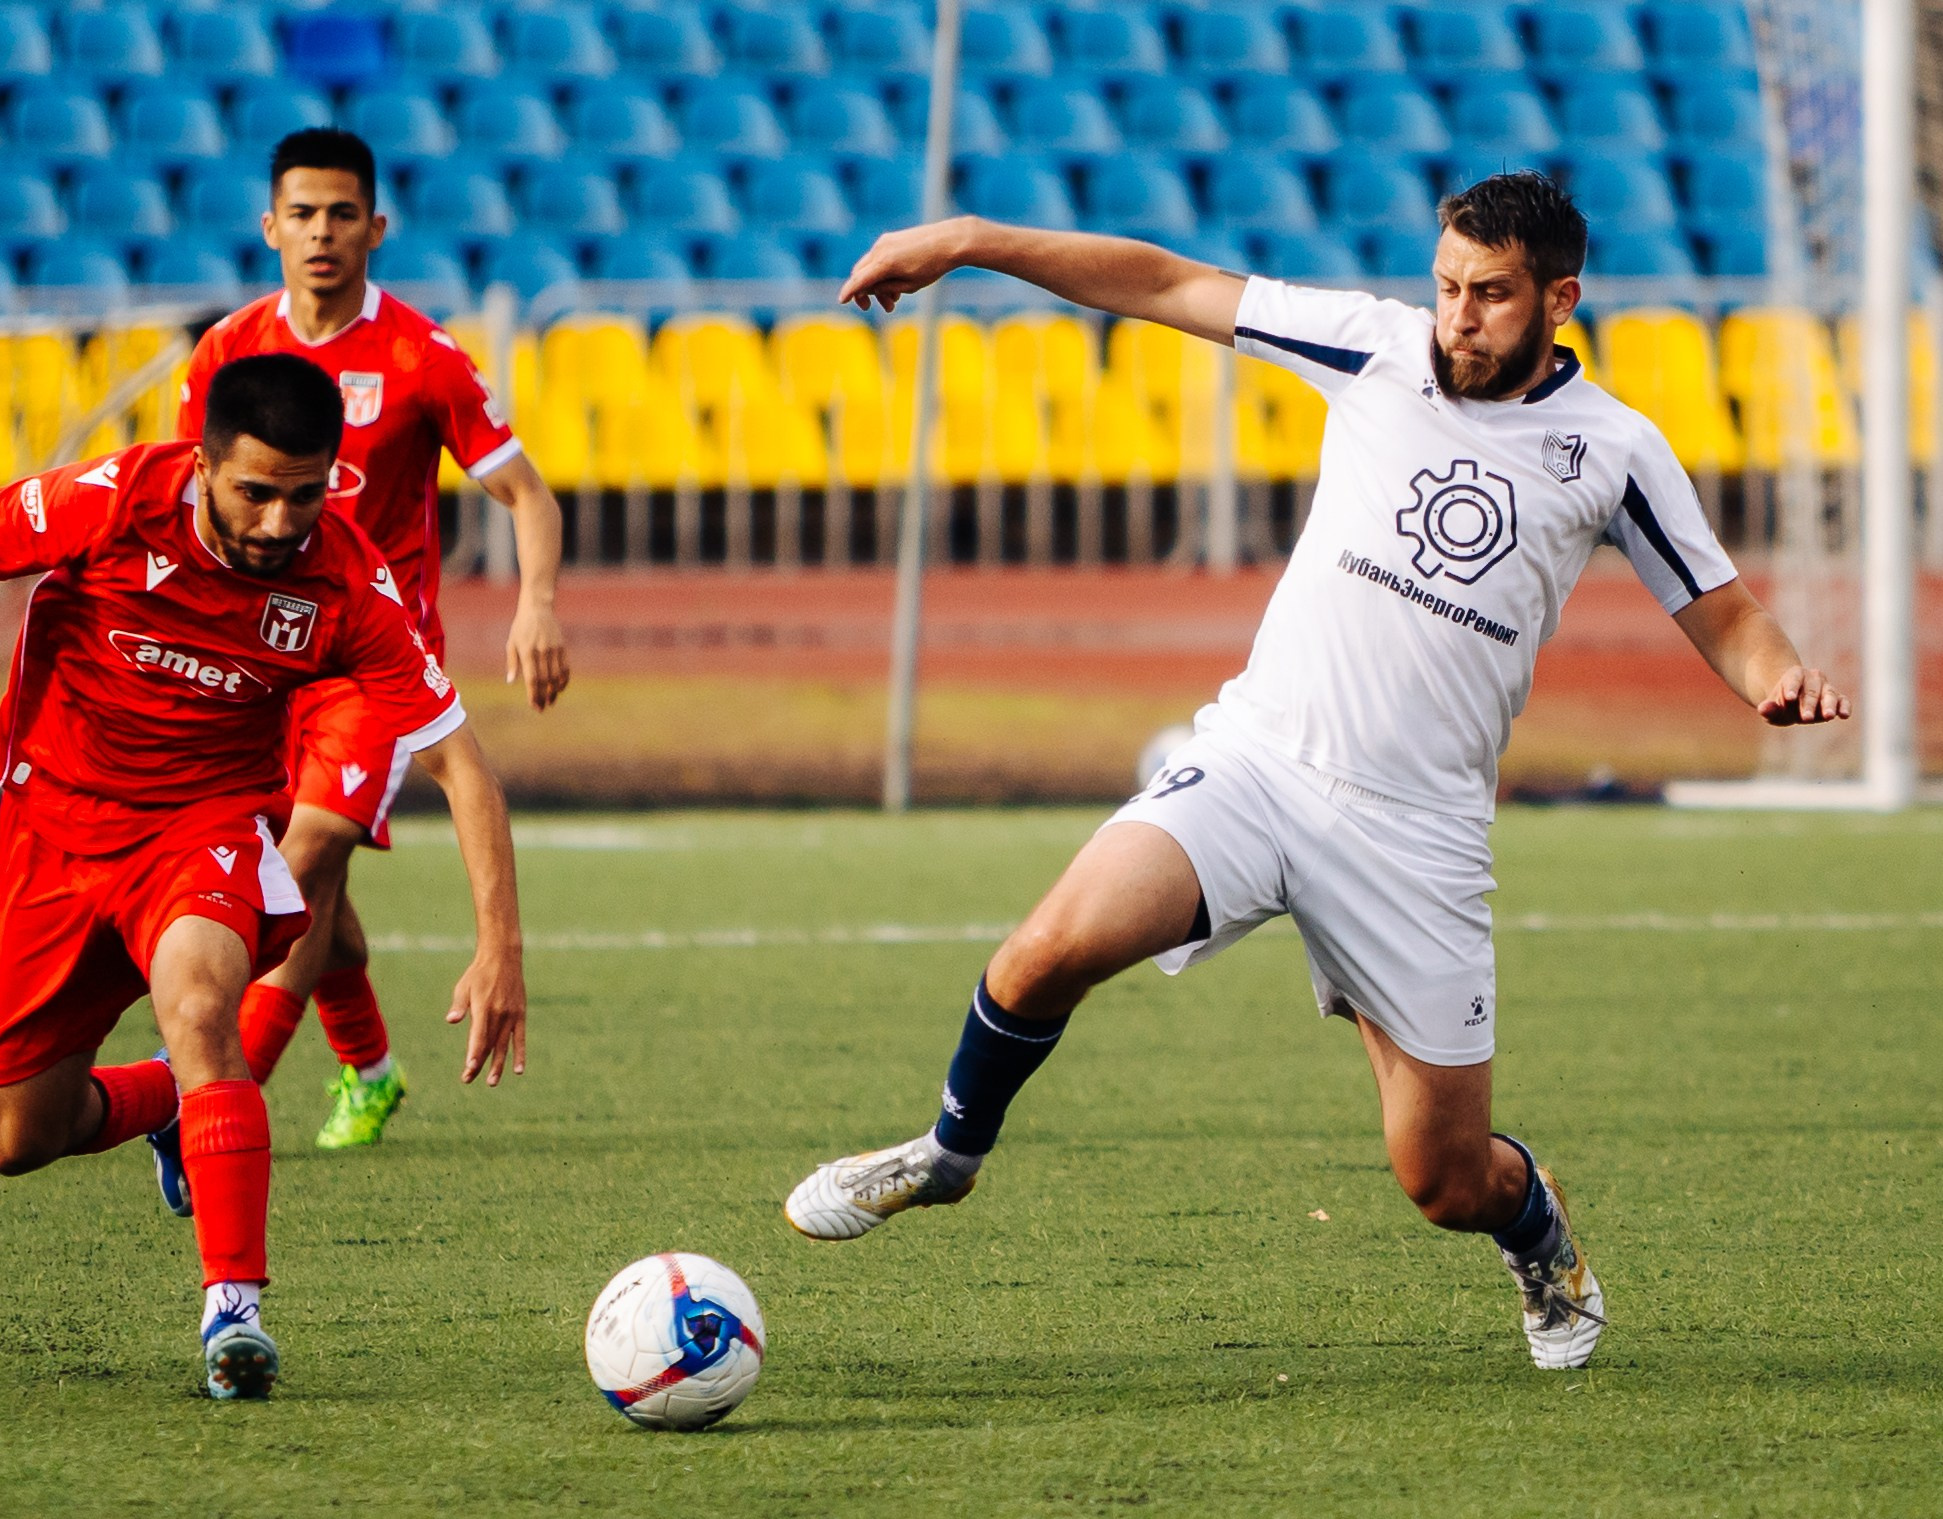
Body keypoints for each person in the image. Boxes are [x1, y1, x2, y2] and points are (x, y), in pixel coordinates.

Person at [783, 173, 1852, 1371]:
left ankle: (1535, 1227)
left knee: (1442, 1179)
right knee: (1045, 950)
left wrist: (1775, 676)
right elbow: (1163, 282)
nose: (1456, 316)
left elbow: (1722, 608)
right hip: (1259, 764)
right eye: (1445, 285)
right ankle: (946, 1154)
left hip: (1417, 835)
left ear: (1560, 300)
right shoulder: (1369, 347)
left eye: (1490, 296)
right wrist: (969, 240)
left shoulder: (1613, 450)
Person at [0, 355, 528, 1399]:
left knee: (197, 1005)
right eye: (254, 492)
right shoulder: (111, 501)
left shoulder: (344, 583)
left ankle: (234, 1310)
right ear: (203, 464)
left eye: (306, 495)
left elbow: (464, 765)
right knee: (17, 1133)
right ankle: (176, 1112)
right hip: (52, 827)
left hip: (202, 829)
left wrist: (499, 948)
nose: (280, 522)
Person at [176, 128, 567, 1151]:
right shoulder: (227, 353)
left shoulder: (422, 358)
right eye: (301, 213)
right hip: (258, 658)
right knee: (307, 887)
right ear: (269, 226)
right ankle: (370, 1067)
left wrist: (536, 601)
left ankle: (216, 1106)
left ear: (375, 227)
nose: (321, 232)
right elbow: (186, 498)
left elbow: (525, 492)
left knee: (299, 860)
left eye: (341, 214)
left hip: (369, 660)